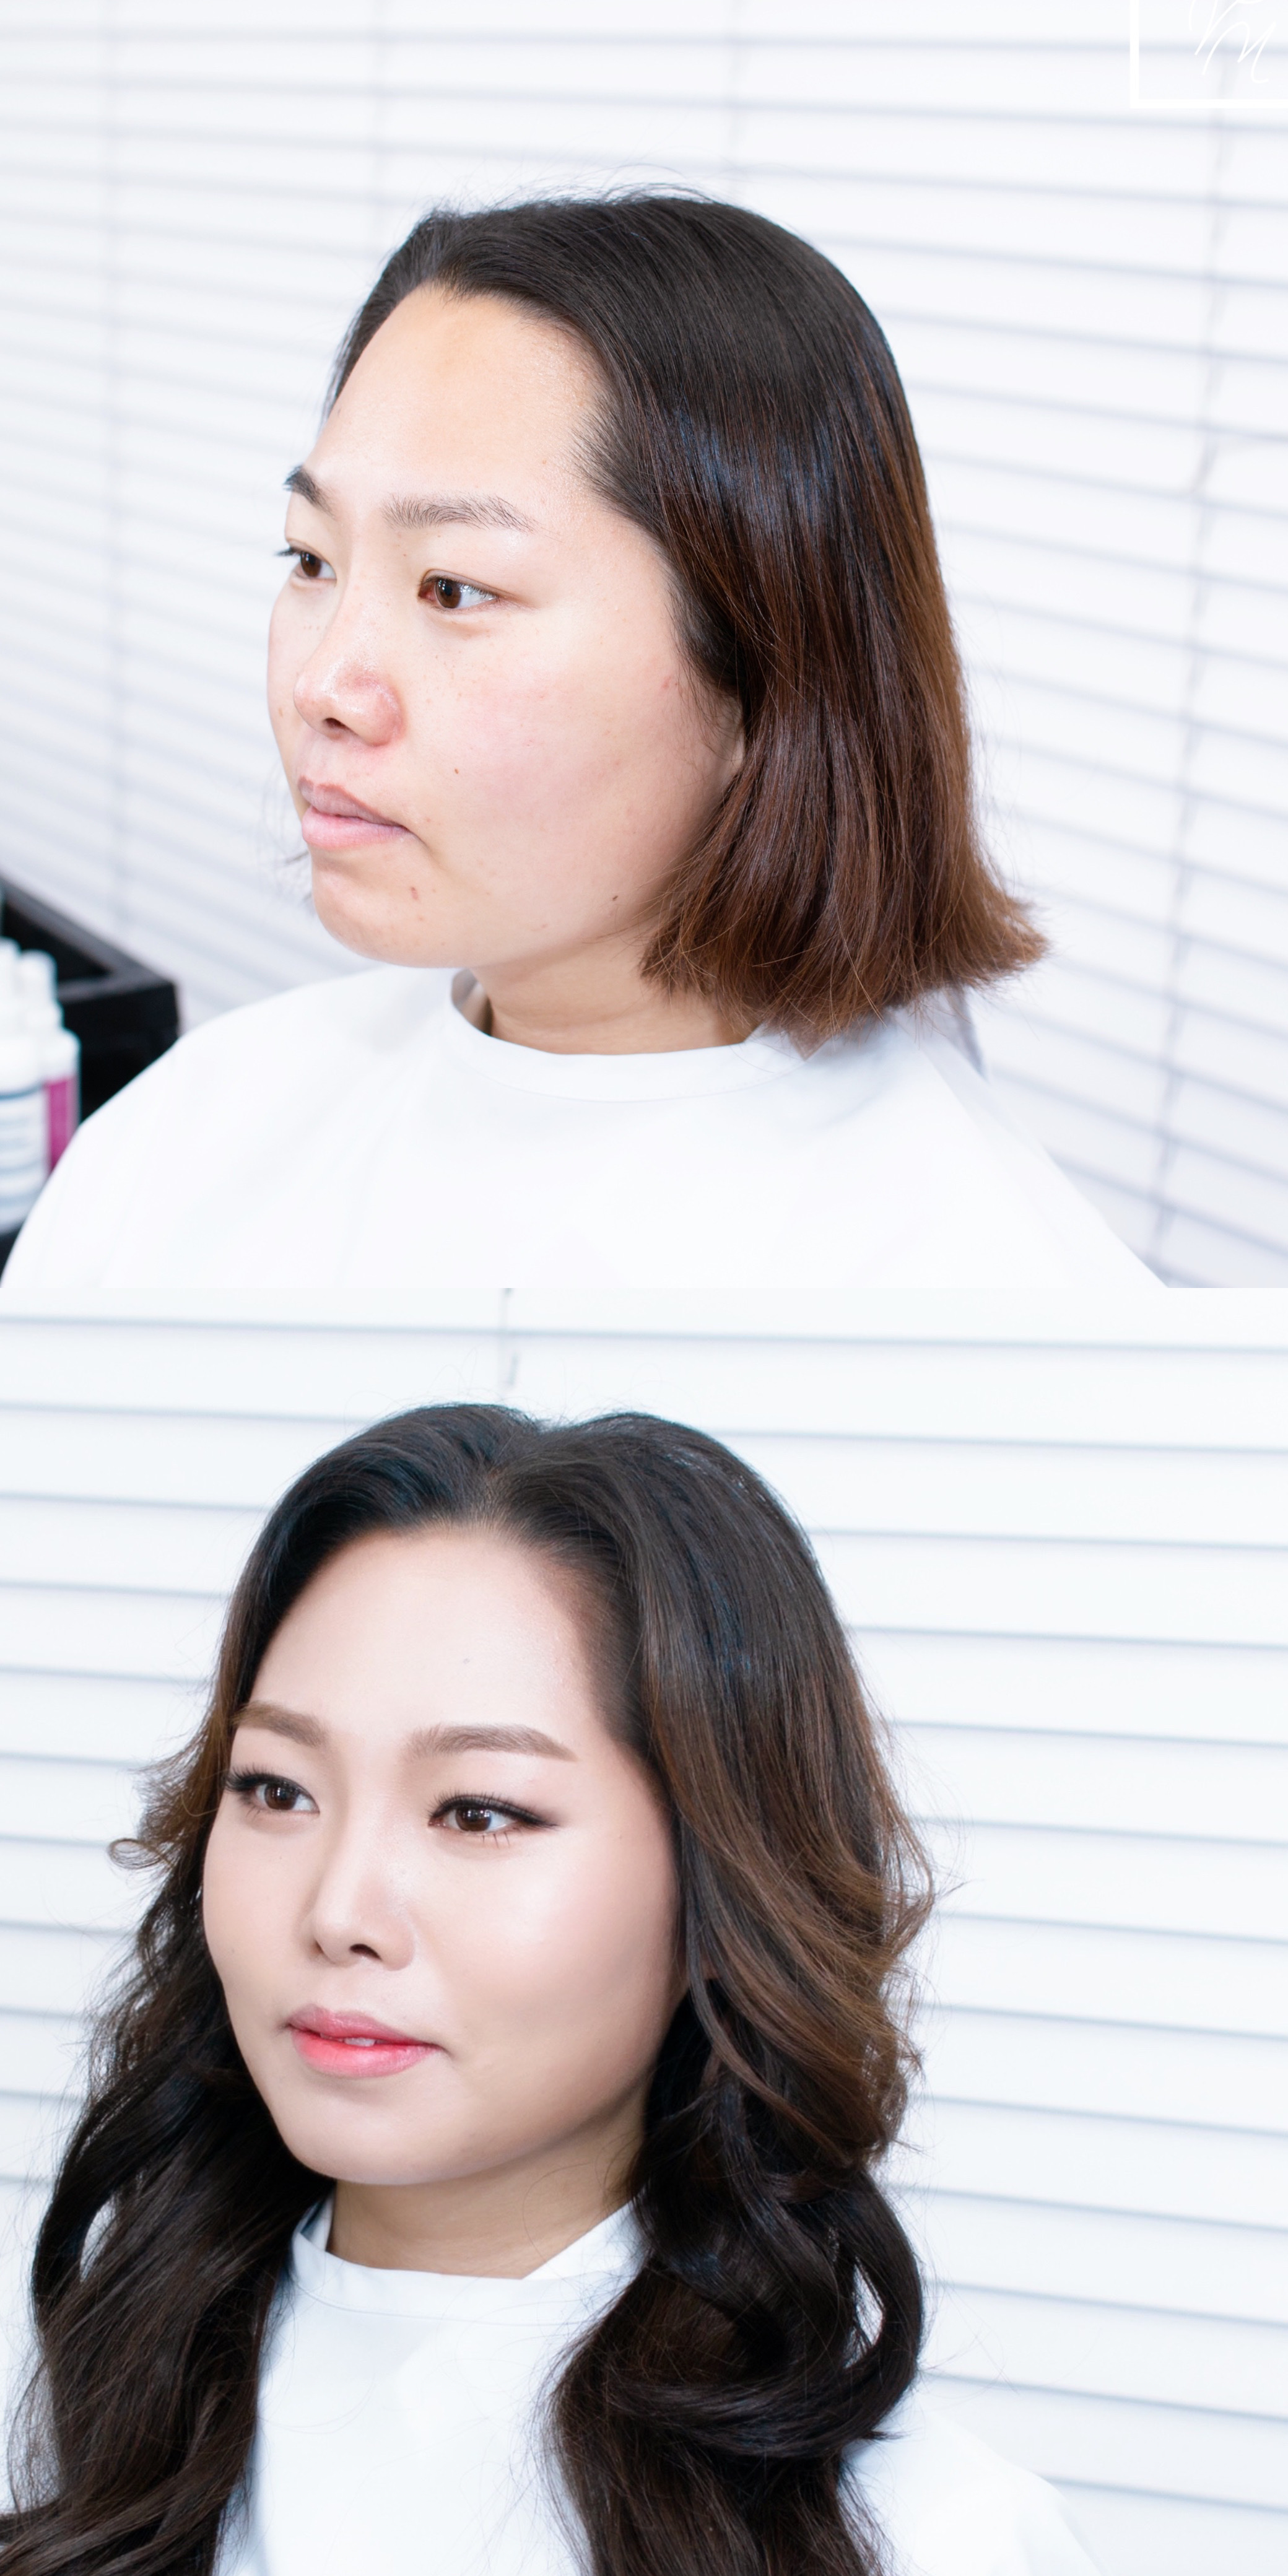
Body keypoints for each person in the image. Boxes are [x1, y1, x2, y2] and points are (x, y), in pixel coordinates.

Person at [2, 196, 1152, 1323]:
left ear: (763, 679)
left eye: (455, 589)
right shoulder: (185, 1140)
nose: (323, 688)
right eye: (311, 561)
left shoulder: (988, 1305)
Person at [2, 1403, 1100, 2576]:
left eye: (480, 1813)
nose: (338, 1912)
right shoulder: (121, 2416)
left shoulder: (930, 2538)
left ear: (722, 1888)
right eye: (277, 1790)